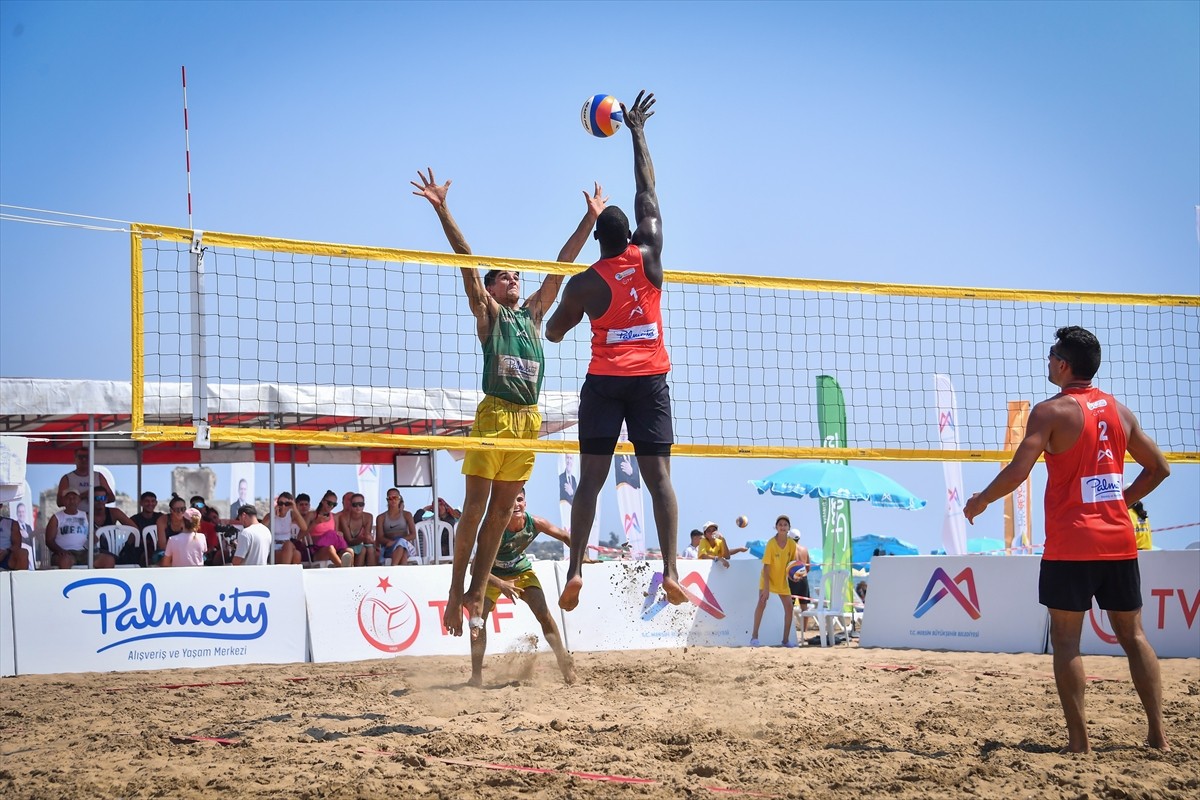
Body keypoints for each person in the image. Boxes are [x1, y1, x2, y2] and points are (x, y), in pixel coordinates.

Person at [412, 167, 606, 638]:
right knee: (474, 510)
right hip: (495, 414)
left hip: (526, 421)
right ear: (493, 289)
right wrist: (443, 208)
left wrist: (590, 218)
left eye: (516, 275)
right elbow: (466, 259)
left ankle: (476, 593)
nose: (513, 279)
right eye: (505, 277)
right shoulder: (489, 313)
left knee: (500, 515)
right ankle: (459, 593)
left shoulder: (534, 314)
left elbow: (562, 265)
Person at [964, 325, 1170, 753]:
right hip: (1117, 542)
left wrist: (981, 500)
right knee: (1134, 637)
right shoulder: (1120, 412)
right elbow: (1160, 468)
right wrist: (1121, 504)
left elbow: (1020, 471)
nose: (1048, 359)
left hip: (1072, 545)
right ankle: (1158, 736)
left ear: (1063, 363)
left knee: (1066, 641)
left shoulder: (1050, 412)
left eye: (1052, 352)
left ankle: (1079, 743)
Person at [545, 90, 687, 613]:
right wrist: (638, 131)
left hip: (605, 384)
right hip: (650, 381)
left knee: (592, 480)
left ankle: (577, 568)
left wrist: (571, 311)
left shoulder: (584, 283)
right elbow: (648, 190)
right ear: (630, 234)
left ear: (597, 242)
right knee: (660, 479)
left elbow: (555, 333)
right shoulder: (650, 254)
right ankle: (671, 570)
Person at [469, 489, 576, 687]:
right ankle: (476, 676)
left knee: (544, 614)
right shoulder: (496, 529)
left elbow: (565, 536)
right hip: (490, 576)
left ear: (525, 503)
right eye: (512, 499)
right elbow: (474, 569)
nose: (516, 504)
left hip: (521, 572)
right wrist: (502, 584)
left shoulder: (534, 522)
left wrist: (578, 557)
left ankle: (564, 663)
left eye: (520, 499)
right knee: (478, 621)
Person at [751, 515, 799, 647]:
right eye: (780, 524)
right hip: (767, 578)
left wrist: (794, 575)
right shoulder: (771, 543)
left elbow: (791, 564)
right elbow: (766, 567)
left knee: (789, 608)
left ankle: (785, 640)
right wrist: (766, 589)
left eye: (785, 525)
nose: (783, 527)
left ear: (789, 528)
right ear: (776, 527)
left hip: (781, 581)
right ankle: (754, 637)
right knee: (762, 603)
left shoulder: (792, 544)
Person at [44, 490, 91, 569]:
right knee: (65, 560)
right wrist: (60, 551)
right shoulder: (56, 517)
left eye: (74, 498)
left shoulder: (86, 516)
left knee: (107, 560)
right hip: (64, 553)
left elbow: (94, 535)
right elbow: (49, 540)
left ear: (79, 500)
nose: (71, 501)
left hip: (83, 552)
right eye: (68, 498)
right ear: (63, 501)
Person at [377, 489, 418, 566]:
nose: (393, 500)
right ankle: (399, 573)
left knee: (401, 543)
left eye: (395, 497)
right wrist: (394, 542)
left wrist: (397, 541)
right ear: (387, 500)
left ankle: (394, 568)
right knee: (402, 550)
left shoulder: (407, 515)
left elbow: (413, 535)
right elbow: (380, 537)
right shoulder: (381, 517)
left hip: (403, 544)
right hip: (389, 546)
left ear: (399, 499)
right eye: (390, 498)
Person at [307, 500, 353, 567]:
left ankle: (349, 569)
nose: (331, 506)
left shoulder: (334, 517)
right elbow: (304, 532)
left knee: (349, 551)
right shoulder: (312, 515)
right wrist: (315, 523)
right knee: (330, 548)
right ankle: (342, 568)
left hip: (334, 549)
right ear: (323, 501)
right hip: (317, 550)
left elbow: (336, 532)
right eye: (329, 503)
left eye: (334, 504)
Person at [786, 527, 814, 632]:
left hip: (792, 579)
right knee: (804, 607)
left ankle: (789, 630)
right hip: (803, 579)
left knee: (789, 607)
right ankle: (804, 630)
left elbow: (786, 566)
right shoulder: (804, 549)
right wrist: (801, 574)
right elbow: (808, 567)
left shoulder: (788, 549)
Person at [339, 492, 377, 566]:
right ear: (350, 505)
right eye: (355, 505)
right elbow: (349, 540)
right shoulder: (344, 518)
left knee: (370, 549)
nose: (358, 507)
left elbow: (367, 537)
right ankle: (358, 572)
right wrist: (364, 538)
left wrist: (366, 538)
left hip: (361, 544)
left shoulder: (368, 516)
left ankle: (371, 573)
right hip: (347, 545)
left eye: (361, 504)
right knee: (363, 549)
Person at [269, 492, 306, 565]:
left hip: (287, 547)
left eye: (287, 504)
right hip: (274, 548)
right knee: (289, 545)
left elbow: (304, 528)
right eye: (280, 503)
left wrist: (295, 509)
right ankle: (286, 572)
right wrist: (272, 515)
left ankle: (289, 573)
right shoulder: (271, 515)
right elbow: (262, 527)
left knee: (297, 554)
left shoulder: (291, 515)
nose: (283, 506)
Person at [130, 491, 164, 566]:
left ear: (156, 503)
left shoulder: (161, 518)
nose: (150, 504)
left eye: (153, 501)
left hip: (158, 550)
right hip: (140, 552)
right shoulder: (134, 519)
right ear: (141, 503)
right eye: (147, 501)